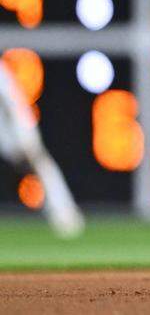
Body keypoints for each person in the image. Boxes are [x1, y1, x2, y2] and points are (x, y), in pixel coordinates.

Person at [0, 58, 84, 238]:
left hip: (14, 134)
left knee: (42, 166)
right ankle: (64, 214)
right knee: (43, 167)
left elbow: (12, 103)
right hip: (9, 135)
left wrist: (24, 135)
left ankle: (65, 214)